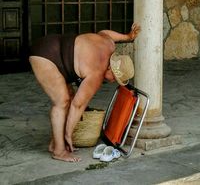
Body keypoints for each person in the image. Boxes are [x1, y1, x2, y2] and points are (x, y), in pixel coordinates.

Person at [29, 23, 141, 162]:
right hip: (45, 56)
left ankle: (55, 143)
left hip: (54, 44)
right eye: (115, 78)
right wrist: (69, 134)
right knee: (62, 102)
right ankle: (59, 151)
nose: (112, 82)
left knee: (68, 96)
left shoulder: (108, 44)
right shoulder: (97, 74)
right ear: (111, 69)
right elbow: (78, 105)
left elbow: (105, 32)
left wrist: (127, 36)